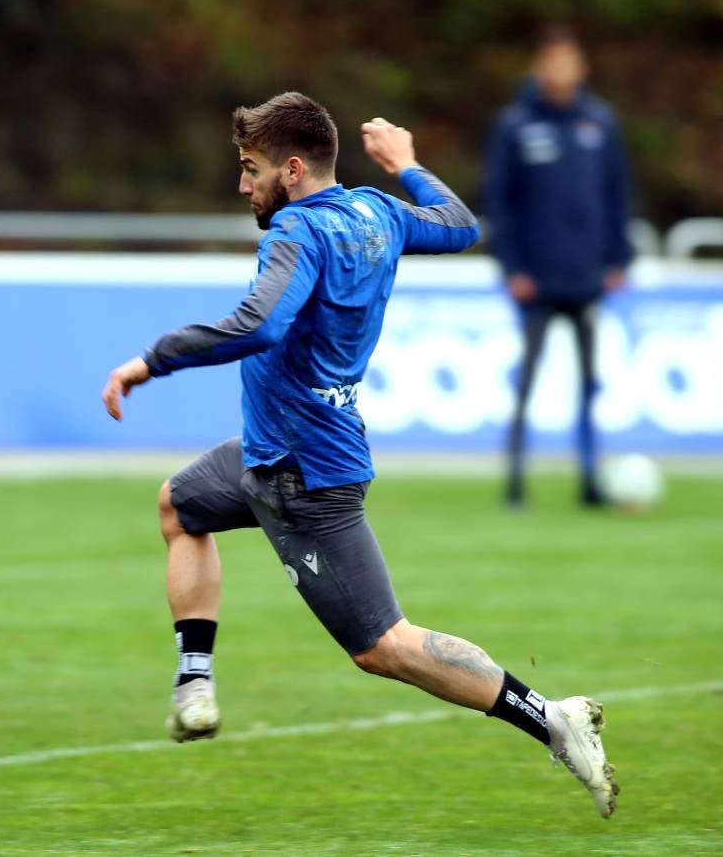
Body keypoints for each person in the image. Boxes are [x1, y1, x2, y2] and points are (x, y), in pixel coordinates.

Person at [100, 92, 617, 818]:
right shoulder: (375, 211)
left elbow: (259, 325)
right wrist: (407, 166)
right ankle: (194, 685)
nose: (242, 185)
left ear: (292, 169)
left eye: (250, 168)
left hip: (302, 474)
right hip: (276, 451)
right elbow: (459, 225)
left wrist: (151, 360)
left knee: (384, 646)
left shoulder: (298, 230)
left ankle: (552, 719)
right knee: (180, 505)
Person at [483, 25, 635, 509]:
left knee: (589, 382)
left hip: (588, 277)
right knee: (527, 382)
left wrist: (619, 258)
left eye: (567, 63)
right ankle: (515, 481)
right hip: (536, 280)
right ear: (538, 68)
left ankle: (590, 479)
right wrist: (512, 267)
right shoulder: (515, 125)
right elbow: (499, 202)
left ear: (581, 69)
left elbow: (617, 194)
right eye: (551, 63)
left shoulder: (600, 123)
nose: (559, 72)